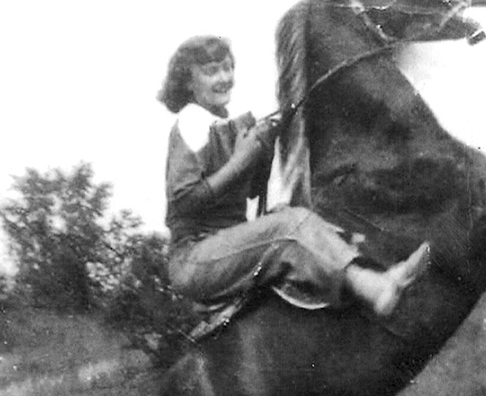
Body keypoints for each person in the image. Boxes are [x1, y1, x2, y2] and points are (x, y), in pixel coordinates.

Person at [158, 35, 429, 317]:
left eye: (228, 68)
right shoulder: (190, 123)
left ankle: (381, 269)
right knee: (288, 225)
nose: (224, 77)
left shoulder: (228, 123)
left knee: (295, 210)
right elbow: (184, 201)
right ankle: (374, 286)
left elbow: (250, 191)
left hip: (225, 245)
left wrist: (263, 150)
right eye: (211, 71)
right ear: (188, 82)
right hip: (194, 258)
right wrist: (241, 161)